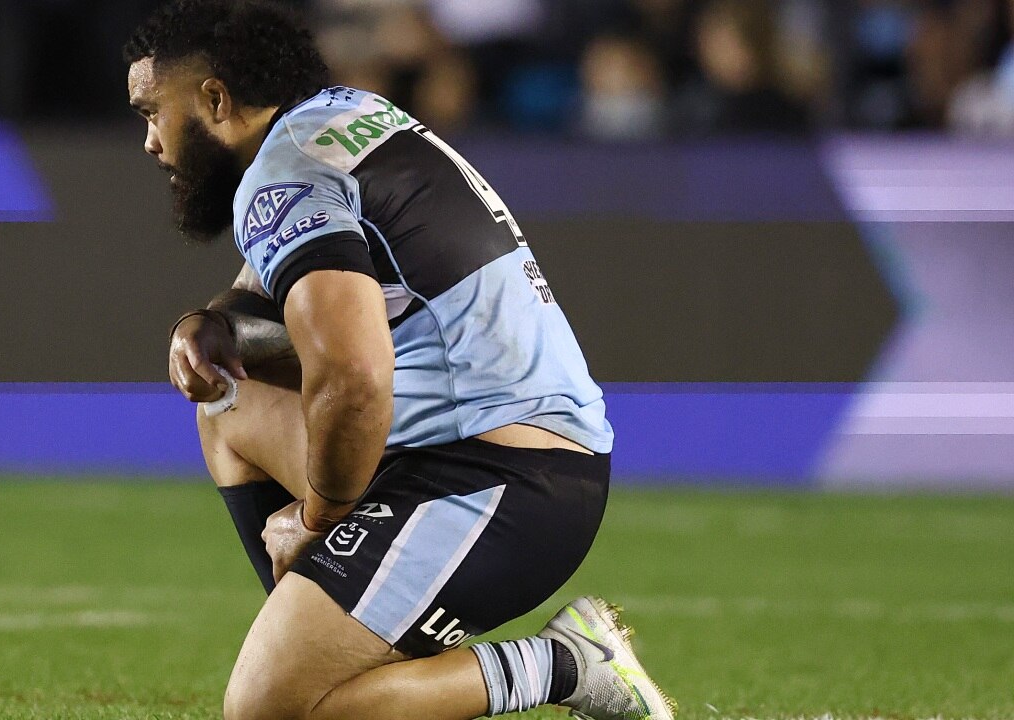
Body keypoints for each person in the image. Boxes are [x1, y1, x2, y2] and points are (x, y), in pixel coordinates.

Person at [124, 1, 677, 718]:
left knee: (267, 713)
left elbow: (354, 376)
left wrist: (316, 518)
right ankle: (335, 628)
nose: (149, 142)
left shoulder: (283, 176)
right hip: (501, 453)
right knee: (227, 397)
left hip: (500, 478)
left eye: (150, 111)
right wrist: (200, 327)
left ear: (215, 100)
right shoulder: (342, 118)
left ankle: (564, 665)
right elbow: (263, 315)